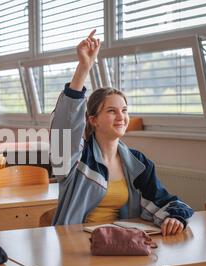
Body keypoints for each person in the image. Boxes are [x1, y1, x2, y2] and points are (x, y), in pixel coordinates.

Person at [50, 30, 193, 236]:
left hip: (119, 244)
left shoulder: (136, 162)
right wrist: (84, 67)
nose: (121, 117)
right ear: (93, 120)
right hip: (76, 244)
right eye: (111, 111)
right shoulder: (77, 159)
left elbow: (166, 201)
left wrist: (176, 217)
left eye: (124, 110)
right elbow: (66, 125)